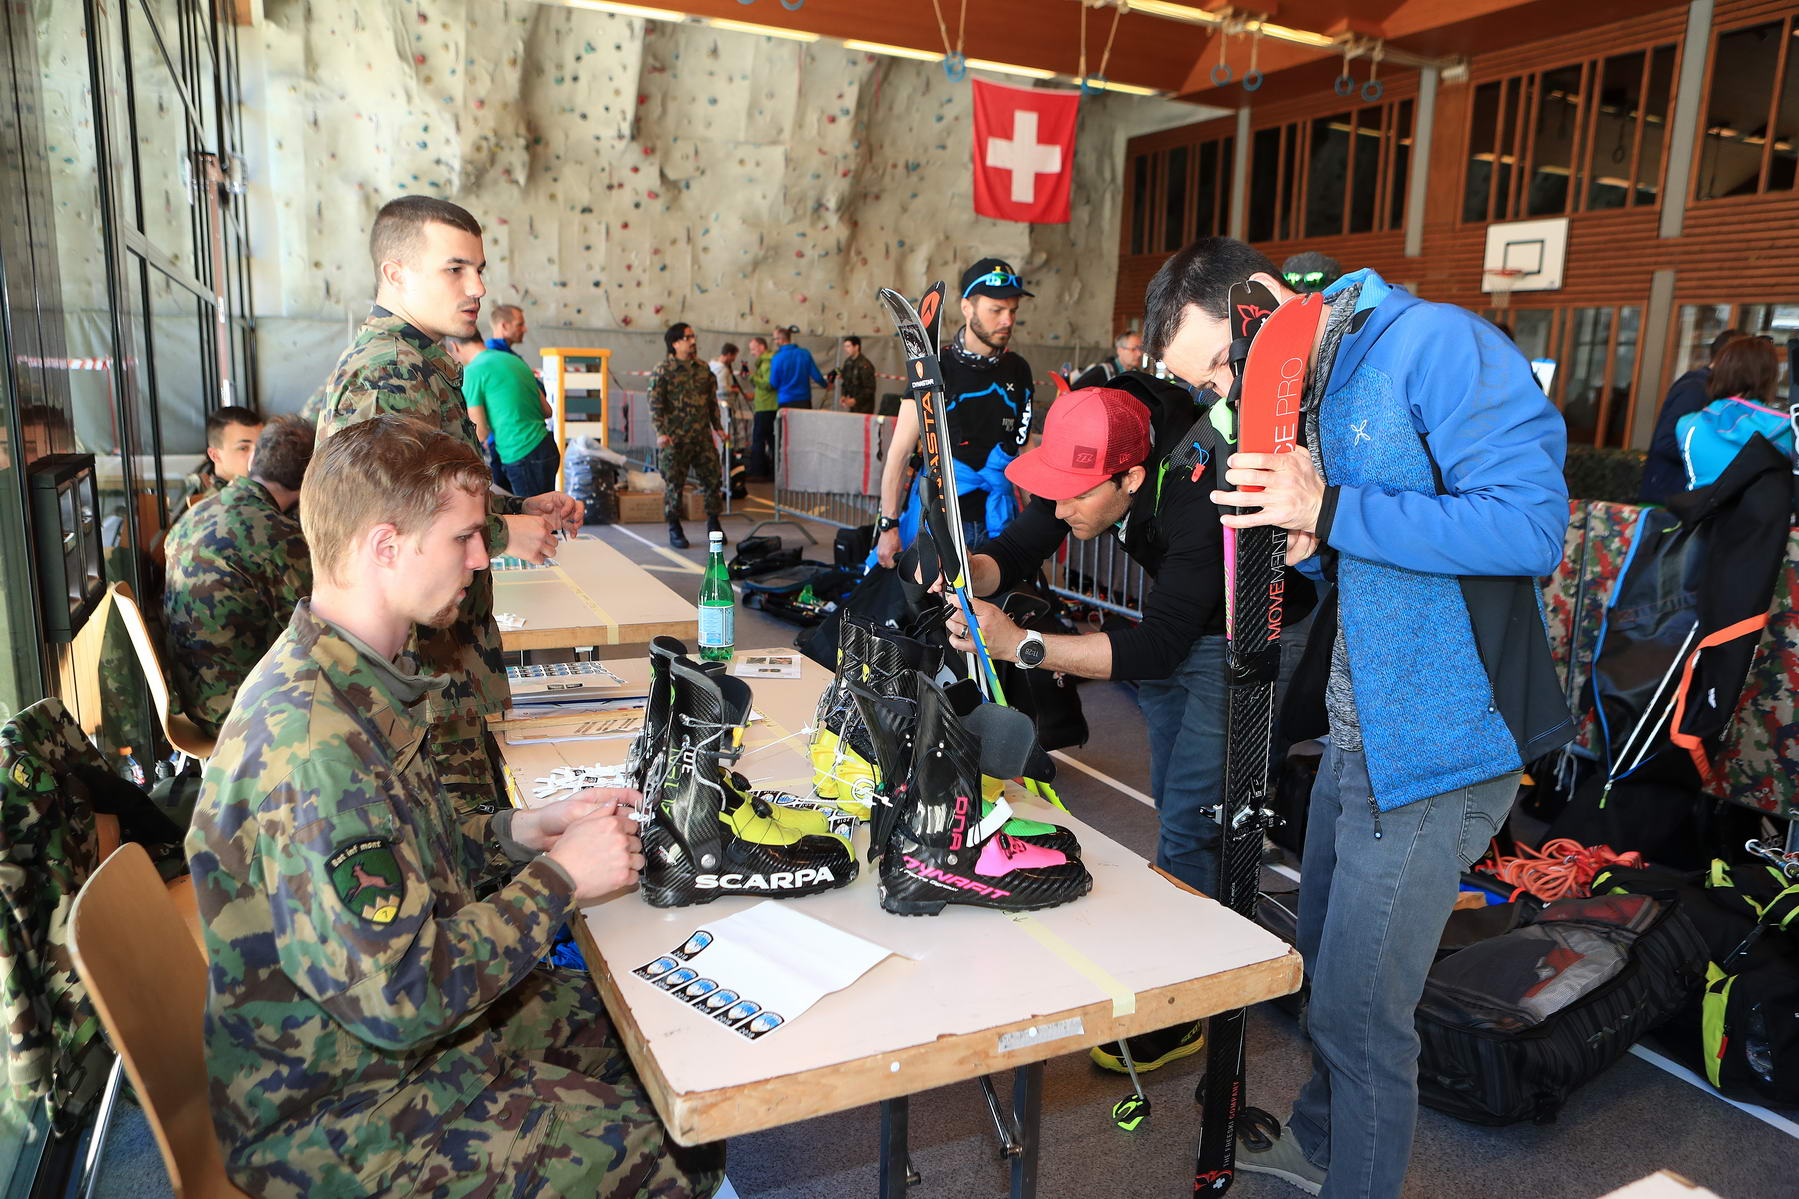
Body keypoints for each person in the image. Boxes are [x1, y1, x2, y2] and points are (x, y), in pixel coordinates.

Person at [185, 416, 723, 1197]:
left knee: (663, 1028)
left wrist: (523, 831)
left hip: (382, 1051)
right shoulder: (314, 747)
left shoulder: (344, 675)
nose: (482, 556)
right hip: (347, 1115)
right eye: (463, 538)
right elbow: (404, 992)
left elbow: (406, 860)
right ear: (384, 546)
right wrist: (560, 879)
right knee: (674, 1153)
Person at [1142, 237, 1572, 1198]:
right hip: (1356, 732)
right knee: (1324, 986)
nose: (1221, 392)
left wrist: (1331, 503)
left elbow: (1530, 528)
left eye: (1218, 361)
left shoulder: (1437, 346)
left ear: (1256, 302)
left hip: (1442, 745)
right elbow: (1372, 553)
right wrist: (1310, 539)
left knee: (1361, 1015)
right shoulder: (1309, 384)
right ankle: (1322, 1145)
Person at [944, 378, 1230, 1074]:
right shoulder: (1096, 448)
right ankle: (1186, 943)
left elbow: (1158, 646)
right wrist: (964, 570)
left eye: (1078, 495)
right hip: (1174, 621)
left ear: (1131, 476)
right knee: (1179, 804)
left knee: (1195, 815)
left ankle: (1184, 1007)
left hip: (1237, 636)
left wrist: (1021, 645)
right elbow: (1012, 550)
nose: (1061, 506)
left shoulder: (1198, 500)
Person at [316, 195, 579, 820]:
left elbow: (438, 485)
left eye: (480, 269)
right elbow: (387, 521)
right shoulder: (389, 370)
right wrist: (502, 531)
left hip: (446, 648)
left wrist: (517, 503)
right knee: (461, 833)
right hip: (422, 661)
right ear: (396, 273)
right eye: (455, 269)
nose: (478, 287)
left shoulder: (423, 362)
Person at [873, 258, 1036, 568]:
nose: (1007, 320)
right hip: (941, 524)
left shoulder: (1019, 369)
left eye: (1012, 311)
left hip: (999, 523)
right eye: (996, 310)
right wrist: (888, 525)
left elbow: (1023, 450)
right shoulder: (936, 366)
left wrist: (1034, 522)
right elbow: (900, 451)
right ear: (967, 308)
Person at [163, 415, 316, 738]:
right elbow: (321, 626)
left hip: (198, 698)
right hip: (246, 712)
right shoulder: (278, 537)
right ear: (311, 477)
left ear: (255, 458)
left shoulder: (199, 511)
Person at [447, 333, 560, 498]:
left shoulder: (473, 372)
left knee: (532, 518)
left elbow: (480, 432)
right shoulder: (514, 360)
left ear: (455, 347)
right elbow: (547, 411)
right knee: (549, 513)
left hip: (520, 452)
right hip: (546, 447)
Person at [1641, 327, 1744, 504]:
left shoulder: (1713, 389)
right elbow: (1666, 442)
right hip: (1666, 500)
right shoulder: (1695, 388)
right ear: (1725, 358)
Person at [649, 322, 725, 549]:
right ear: (675, 343)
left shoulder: (703, 369)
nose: (693, 341)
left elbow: (711, 402)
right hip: (675, 438)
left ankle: (714, 524)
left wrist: (718, 428)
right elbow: (655, 405)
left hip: (701, 437)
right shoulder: (663, 370)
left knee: (712, 480)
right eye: (688, 337)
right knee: (675, 484)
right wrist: (661, 432)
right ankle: (675, 527)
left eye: (693, 336)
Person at [175, 406, 264, 522]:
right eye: (243, 448)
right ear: (215, 455)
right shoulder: (210, 508)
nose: (257, 455)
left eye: (262, 446)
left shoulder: (261, 493)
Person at [768, 324, 828, 411]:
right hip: (804, 399)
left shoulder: (777, 358)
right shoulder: (804, 353)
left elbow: (773, 382)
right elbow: (817, 376)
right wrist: (826, 385)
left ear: (781, 339)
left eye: (775, 339)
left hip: (785, 400)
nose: (775, 342)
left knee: (786, 425)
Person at [744, 335, 777, 479]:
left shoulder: (766, 364)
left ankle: (758, 472)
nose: (752, 352)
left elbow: (769, 384)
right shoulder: (767, 362)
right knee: (771, 439)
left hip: (766, 407)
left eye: (753, 349)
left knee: (758, 439)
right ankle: (773, 472)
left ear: (762, 347)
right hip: (768, 405)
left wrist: (752, 377)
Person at [1070, 330, 1144, 391]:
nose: (1139, 354)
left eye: (1140, 349)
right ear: (1120, 350)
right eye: (1133, 349)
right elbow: (1075, 391)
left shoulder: (1137, 375)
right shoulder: (1102, 371)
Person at [837, 335, 877, 414]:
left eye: (848, 346)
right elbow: (845, 382)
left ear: (856, 347)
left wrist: (856, 400)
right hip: (853, 405)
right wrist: (843, 395)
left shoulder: (865, 365)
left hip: (865, 406)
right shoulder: (848, 362)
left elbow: (870, 388)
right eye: (845, 347)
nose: (846, 349)